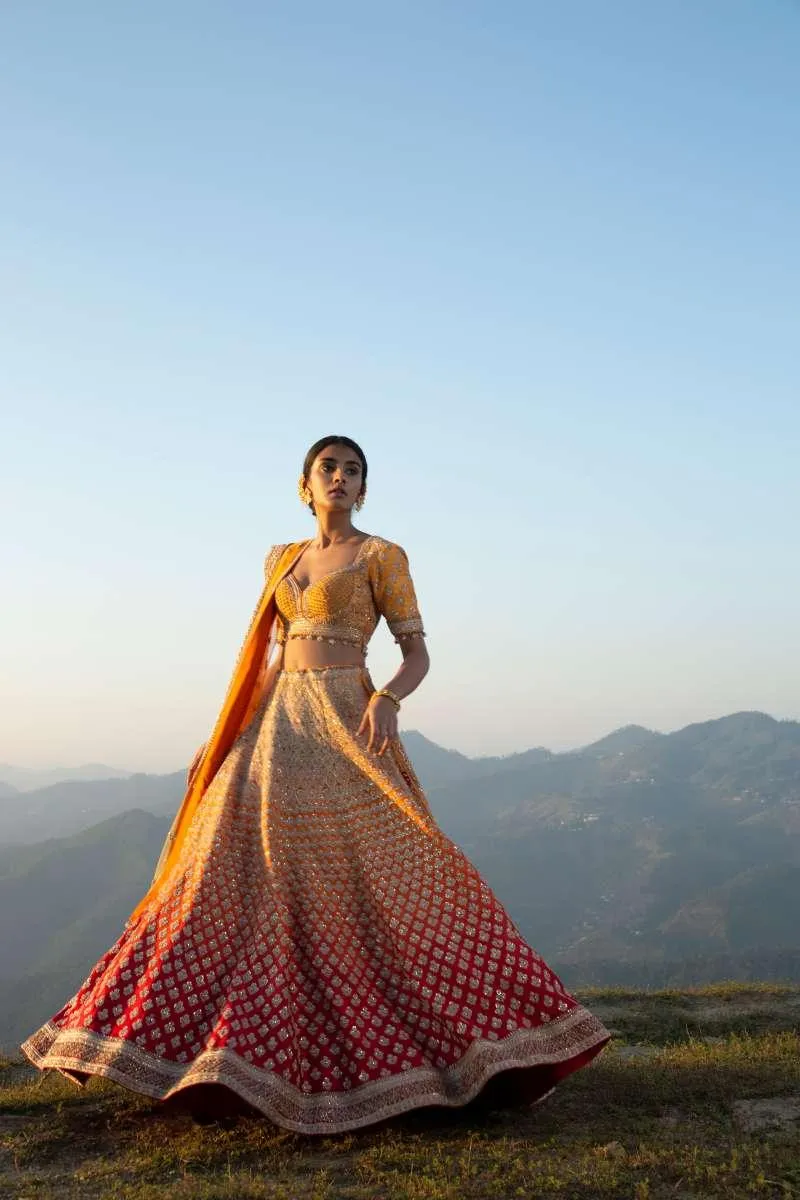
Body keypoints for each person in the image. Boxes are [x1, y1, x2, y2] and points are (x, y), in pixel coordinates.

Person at [20, 434, 610, 1134]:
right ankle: (211, 1051)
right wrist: (226, 733)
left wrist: (387, 698)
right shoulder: (281, 558)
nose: (340, 477)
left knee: (393, 867)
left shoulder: (382, 556)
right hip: (277, 724)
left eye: (352, 470)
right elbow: (273, 657)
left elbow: (417, 654)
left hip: (345, 718)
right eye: (328, 467)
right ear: (305, 485)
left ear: (364, 488)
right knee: (222, 867)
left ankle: (465, 1039)